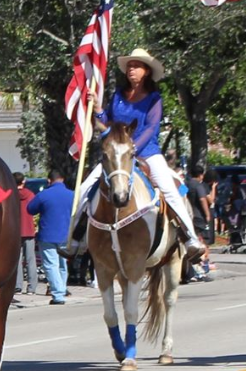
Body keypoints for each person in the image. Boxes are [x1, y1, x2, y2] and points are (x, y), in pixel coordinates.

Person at [69, 48, 207, 263]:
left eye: (136, 66)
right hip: (118, 154)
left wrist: (131, 147)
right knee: (86, 187)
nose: (131, 70)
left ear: (147, 72)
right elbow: (108, 123)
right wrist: (97, 107)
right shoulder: (118, 96)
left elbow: (151, 128)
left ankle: (190, 238)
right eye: (130, 66)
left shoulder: (154, 99)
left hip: (147, 152)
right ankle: (75, 239)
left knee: (170, 190)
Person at [27, 170, 73, 304]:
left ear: (49, 180)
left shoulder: (43, 195)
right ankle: (62, 288)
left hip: (47, 235)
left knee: (51, 265)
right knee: (63, 265)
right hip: (66, 235)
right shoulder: (72, 195)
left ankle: (58, 295)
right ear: (63, 179)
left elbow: (30, 209)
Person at [185, 164, 213, 282]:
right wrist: (207, 214)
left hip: (187, 215)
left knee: (190, 243)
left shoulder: (185, 184)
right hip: (198, 217)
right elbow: (203, 199)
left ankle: (190, 271)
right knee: (201, 244)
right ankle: (201, 270)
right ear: (201, 175)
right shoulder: (198, 185)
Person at [14, 172, 37, 295]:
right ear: (23, 181)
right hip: (28, 230)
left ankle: (18, 286)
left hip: (16, 231)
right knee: (30, 259)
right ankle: (31, 287)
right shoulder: (30, 194)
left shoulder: (11, 194)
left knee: (17, 260)